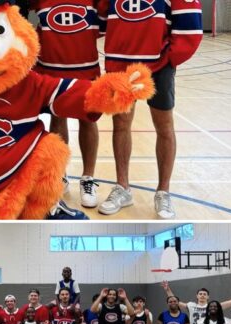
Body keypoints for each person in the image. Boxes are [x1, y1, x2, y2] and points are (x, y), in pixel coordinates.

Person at [97, 0, 203, 219]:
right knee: (120, 125)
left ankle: (163, 192)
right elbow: (100, 18)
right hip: (120, 66)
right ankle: (122, 188)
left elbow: (190, 23)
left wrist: (169, 58)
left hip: (159, 66)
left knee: (164, 126)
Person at [30, 0, 102, 208]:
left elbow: (104, 24)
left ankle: (88, 178)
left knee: (88, 121)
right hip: (52, 68)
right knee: (57, 119)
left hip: (85, 68)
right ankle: (59, 175)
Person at [162, 279, 231, 324]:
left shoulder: (213, 306)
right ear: (196, 296)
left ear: (208, 297)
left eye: (204, 294)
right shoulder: (191, 306)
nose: (202, 296)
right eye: (200, 294)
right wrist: (167, 290)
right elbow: (175, 301)